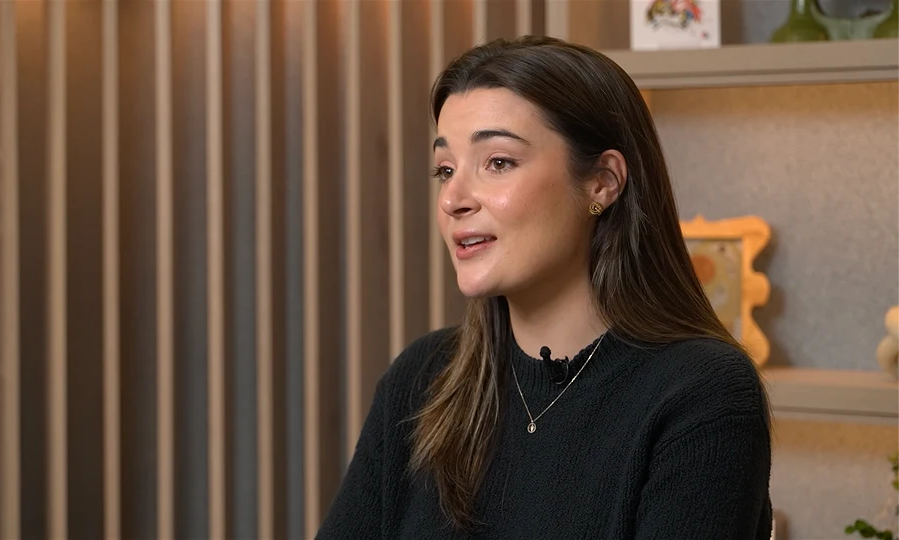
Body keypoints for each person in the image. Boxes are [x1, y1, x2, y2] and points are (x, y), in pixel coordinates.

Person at [317, 35, 772, 539]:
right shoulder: (423, 378)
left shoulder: (702, 393)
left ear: (602, 181)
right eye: (445, 169)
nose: (453, 199)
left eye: (498, 163)